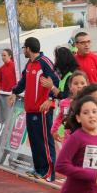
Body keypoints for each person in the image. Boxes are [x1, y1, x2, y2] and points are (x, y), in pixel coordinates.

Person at [8, 37, 60, 181]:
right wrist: (14, 92)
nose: (23, 50)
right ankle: (39, 169)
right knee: (35, 141)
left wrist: (50, 99)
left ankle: (49, 172)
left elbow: (56, 81)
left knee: (45, 141)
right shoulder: (29, 64)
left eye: (24, 48)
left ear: (29, 48)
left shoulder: (45, 62)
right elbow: (23, 82)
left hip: (42, 110)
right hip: (30, 110)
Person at [51, 70, 88, 148]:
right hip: (68, 140)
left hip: (84, 141)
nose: (79, 86)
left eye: (82, 83)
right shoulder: (64, 103)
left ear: (87, 85)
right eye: (76, 83)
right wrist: (54, 130)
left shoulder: (90, 103)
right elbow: (60, 117)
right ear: (70, 87)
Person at [73, 32, 97, 100]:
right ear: (76, 45)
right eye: (83, 42)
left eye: (88, 42)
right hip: (78, 101)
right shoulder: (72, 61)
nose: (86, 45)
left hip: (96, 101)